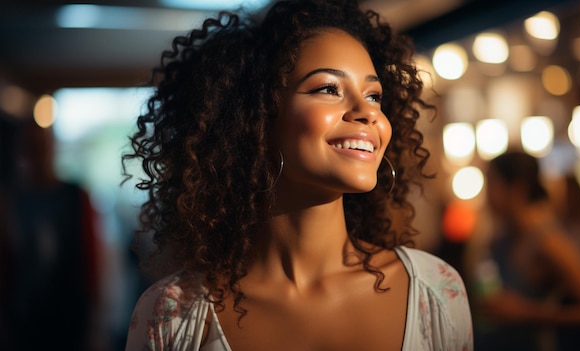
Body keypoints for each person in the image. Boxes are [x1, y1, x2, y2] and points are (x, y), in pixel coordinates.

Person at [123, 0, 473, 350]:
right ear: (256, 120)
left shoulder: (435, 291)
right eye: (328, 89)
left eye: (374, 95)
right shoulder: (173, 314)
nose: (368, 113)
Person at [471, 151, 580, 351]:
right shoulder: (501, 239)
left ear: (517, 188)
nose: (486, 194)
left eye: (492, 183)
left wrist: (525, 312)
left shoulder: (546, 241)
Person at [0, 119, 102, 350]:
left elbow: (90, 257)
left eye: (41, 146)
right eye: (30, 147)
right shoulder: (11, 200)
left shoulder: (74, 196)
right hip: (24, 317)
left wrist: (95, 317)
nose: (37, 155)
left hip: (69, 314)